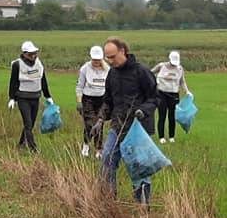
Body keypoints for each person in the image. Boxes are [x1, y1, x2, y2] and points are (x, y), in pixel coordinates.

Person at [94, 37, 158, 204]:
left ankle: (142, 205)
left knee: (139, 168)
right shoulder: (112, 74)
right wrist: (101, 118)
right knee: (107, 158)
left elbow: (154, 98)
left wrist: (142, 111)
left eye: (112, 56)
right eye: (107, 57)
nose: (110, 60)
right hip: (117, 125)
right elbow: (108, 100)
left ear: (123, 51)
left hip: (139, 128)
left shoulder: (141, 72)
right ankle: (108, 202)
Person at [7, 40, 53, 152]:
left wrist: (48, 96)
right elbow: (13, 82)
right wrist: (12, 98)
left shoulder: (38, 63)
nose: (33, 56)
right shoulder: (17, 64)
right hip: (23, 98)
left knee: (31, 124)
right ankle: (33, 148)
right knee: (27, 123)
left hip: (35, 97)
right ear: (24, 53)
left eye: (34, 53)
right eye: (30, 54)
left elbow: (43, 80)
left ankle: (21, 144)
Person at [75, 45, 110, 159]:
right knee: (89, 124)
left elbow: (110, 87)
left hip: (102, 99)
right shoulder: (85, 68)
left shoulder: (107, 69)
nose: (96, 62)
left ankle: (99, 150)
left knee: (99, 124)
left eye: (98, 60)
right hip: (88, 99)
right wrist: (79, 102)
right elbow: (79, 86)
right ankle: (86, 145)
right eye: (94, 60)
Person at [151, 50, 192, 144]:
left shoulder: (180, 69)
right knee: (162, 115)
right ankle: (161, 137)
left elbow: (182, 81)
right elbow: (150, 73)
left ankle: (171, 136)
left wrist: (187, 91)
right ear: (169, 59)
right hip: (161, 94)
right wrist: (153, 84)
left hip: (174, 95)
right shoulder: (161, 66)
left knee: (172, 116)